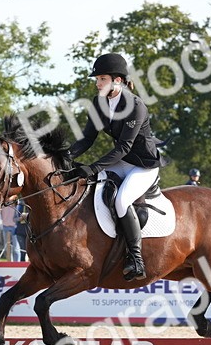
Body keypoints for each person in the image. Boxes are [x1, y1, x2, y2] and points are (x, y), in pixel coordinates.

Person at [63, 53, 166, 281]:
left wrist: (93, 167)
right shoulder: (99, 103)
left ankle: (136, 258)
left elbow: (124, 147)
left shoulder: (135, 106)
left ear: (117, 80)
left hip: (143, 165)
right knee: (94, 189)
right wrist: (65, 157)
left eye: (102, 78)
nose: (98, 83)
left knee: (121, 200)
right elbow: (87, 139)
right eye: (97, 79)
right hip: (122, 161)